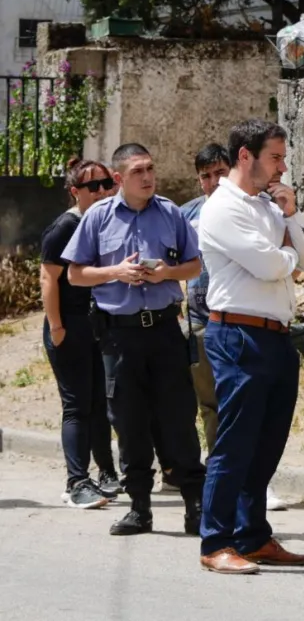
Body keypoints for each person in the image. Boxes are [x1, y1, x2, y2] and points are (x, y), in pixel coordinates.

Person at [62, 143, 207, 537]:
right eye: (138, 171)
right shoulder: (98, 217)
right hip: (120, 335)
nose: (147, 177)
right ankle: (139, 508)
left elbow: (194, 265)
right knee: (129, 421)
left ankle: (195, 506)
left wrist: (167, 273)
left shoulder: (171, 212)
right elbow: (75, 274)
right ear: (119, 178)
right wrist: (116, 272)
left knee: (178, 418)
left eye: (150, 169)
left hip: (164, 330)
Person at [196, 119, 304, 575]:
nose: (282, 168)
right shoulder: (222, 207)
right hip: (238, 334)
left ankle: (253, 535)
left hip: (277, 333)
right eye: (275, 157)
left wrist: (291, 216)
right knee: (235, 442)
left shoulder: (270, 206)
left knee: (268, 442)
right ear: (245, 156)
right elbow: (271, 266)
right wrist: (286, 255)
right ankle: (216, 542)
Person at [40, 158, 122, 509]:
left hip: (97, 325)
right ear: (76, 192)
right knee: (76, 406)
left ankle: (106, 474)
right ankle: (76, 482)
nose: (102, 192)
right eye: (93, 187)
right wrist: (57, 326)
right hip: (69, 325)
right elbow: (48, 279)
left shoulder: (104, 222)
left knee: (99, 404)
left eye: (107, 184)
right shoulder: (66, 226)